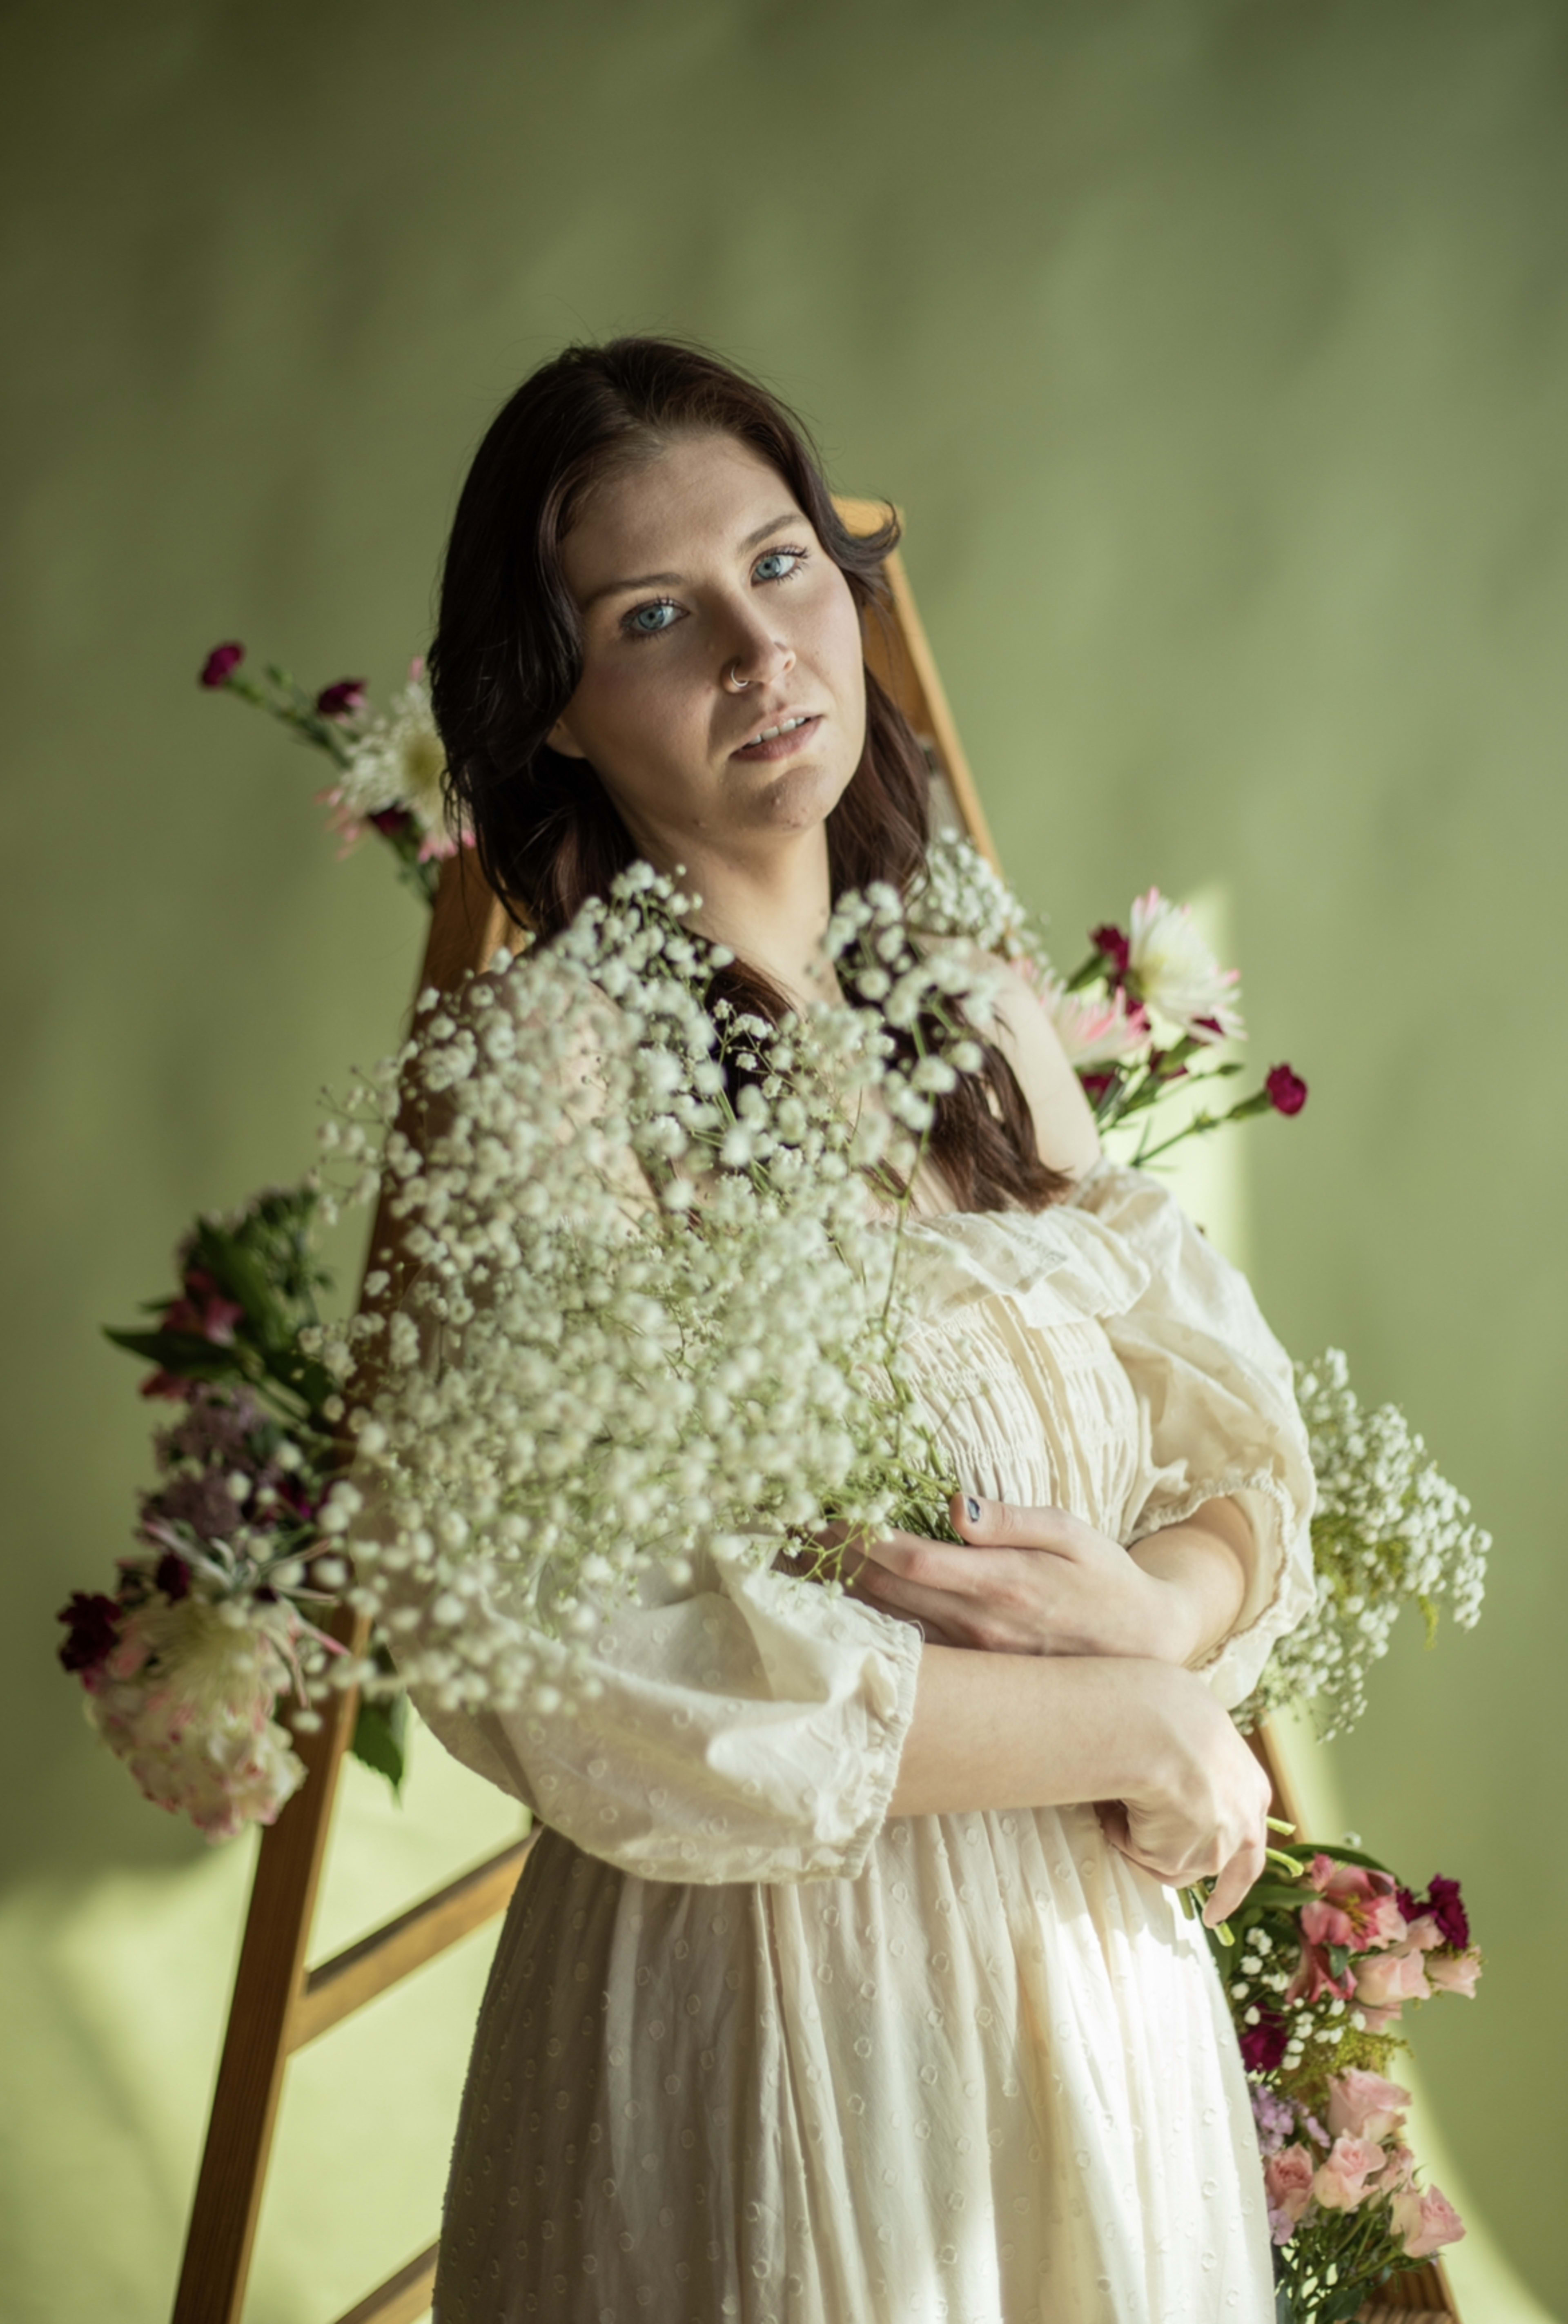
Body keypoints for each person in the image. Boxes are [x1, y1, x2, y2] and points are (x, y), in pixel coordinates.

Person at [363, 337, 1315, 2322]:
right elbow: (567, 1645)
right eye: (656, 616)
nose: (759, 649)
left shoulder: (961, 985)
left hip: (1087, 1996)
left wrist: (1171, 1619)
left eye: (784, 568)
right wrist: (1139, 1724)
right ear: (553, 714)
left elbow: (1226, 1433)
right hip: (778, 2021)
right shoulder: (544, 1069)